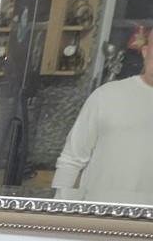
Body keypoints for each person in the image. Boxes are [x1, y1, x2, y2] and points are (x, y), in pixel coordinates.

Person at [52, 23, 153, 205]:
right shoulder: (106, 96)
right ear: (145, 52)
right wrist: (58, 209)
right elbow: (72, 158)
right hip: (98, 219)